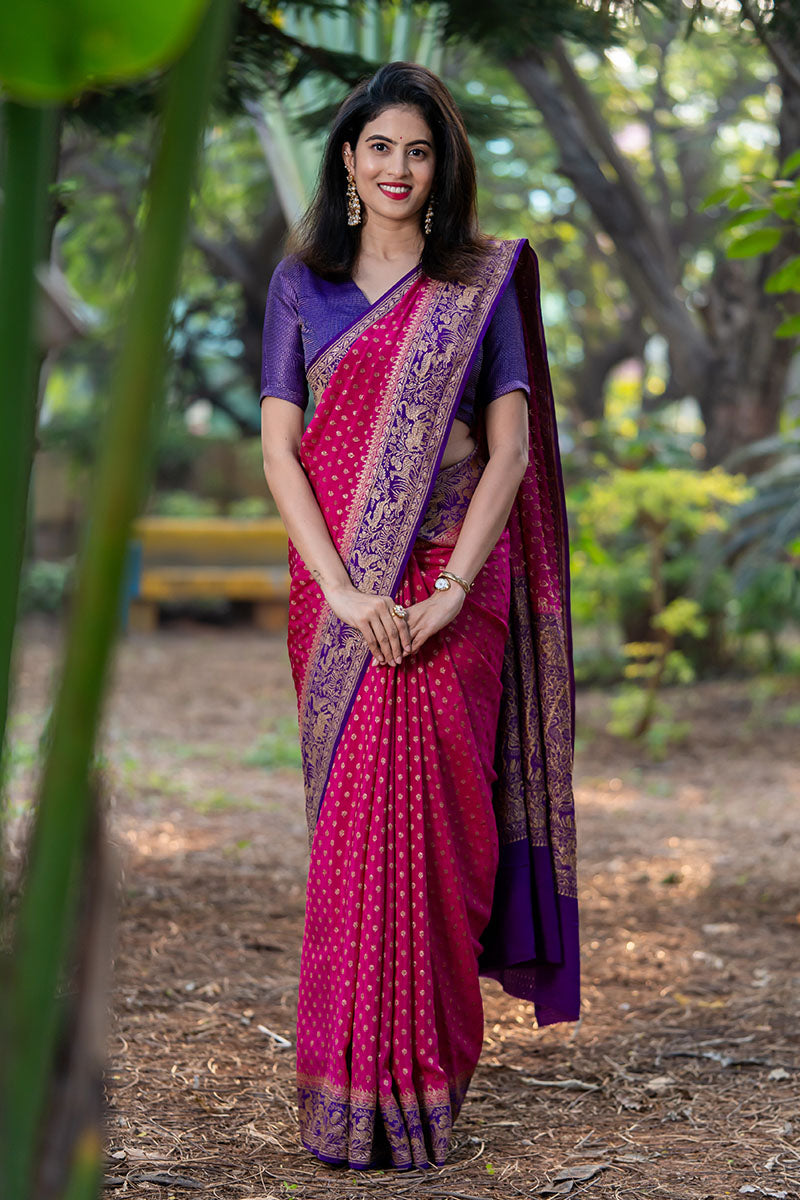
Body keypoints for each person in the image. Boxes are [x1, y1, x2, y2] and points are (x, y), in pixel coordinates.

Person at [259, 60, 579, 1172]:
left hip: (453, 588)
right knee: (352, 842)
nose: (398, 168)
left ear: (442, 168)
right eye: (379, 147)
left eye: (420, 150)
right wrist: (348, 594)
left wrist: (444, 593)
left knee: (444, 840)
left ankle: (426, 1094)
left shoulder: (476, 287)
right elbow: (279, 450)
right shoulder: (301, 283)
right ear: (346, 160)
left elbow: (509, 453)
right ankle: (344, 1098)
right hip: (337, 596)